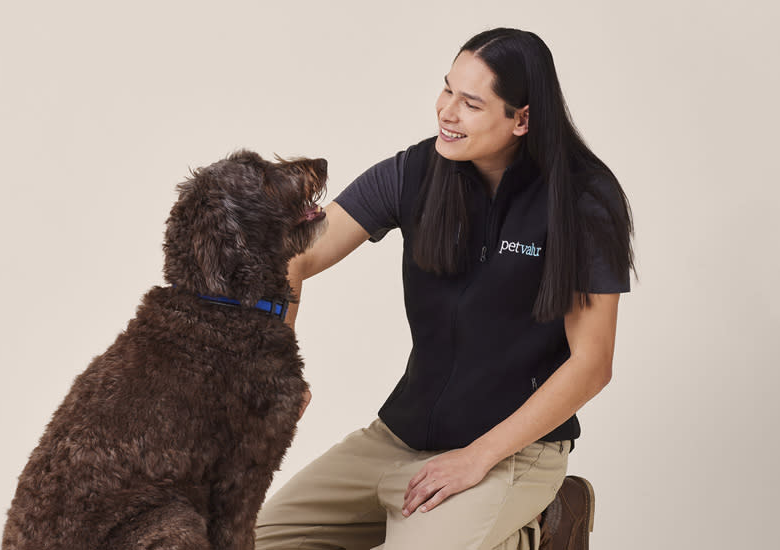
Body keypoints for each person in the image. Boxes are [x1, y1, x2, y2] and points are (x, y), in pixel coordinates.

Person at [256, 28, 634, 550]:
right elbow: (293, 257)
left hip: (511, 454)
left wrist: (478, 457)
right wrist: (275, 370)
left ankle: (538, 533)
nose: (446, 111)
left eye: (471, 103)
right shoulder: (414, 171)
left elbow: (592, 363)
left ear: (522, 118)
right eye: (447, 90)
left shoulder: (585, 202)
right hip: (398, 438)